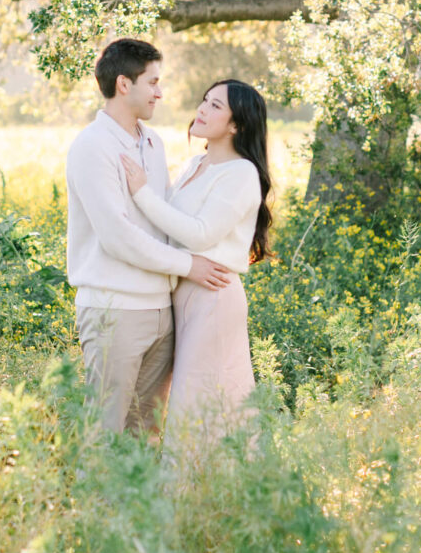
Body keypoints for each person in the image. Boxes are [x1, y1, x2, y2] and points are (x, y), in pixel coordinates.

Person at [66, 38, 232, 434]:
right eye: (153, 82)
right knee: (105, 433)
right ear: (125, 85)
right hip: (115, 311)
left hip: (162, 311)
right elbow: (117, 236)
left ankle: (134, 501)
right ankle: (95, 501)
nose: (160, 92)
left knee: (145, 435)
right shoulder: (92, 146)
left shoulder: (152, 143)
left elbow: (164, 219)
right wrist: (189, 266)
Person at [120, 78, 272, 447]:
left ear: (236, 124)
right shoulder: (195, 164)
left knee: (202, 397)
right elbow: (170, 227)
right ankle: (202, 492)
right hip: (184, 293)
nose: (202, 109)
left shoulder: (241, 173)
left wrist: (141, 192)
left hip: (213, 296)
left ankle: (204, 490)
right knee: (194, 395)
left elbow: (201, 234)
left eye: (216, 105)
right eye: (204, 101)